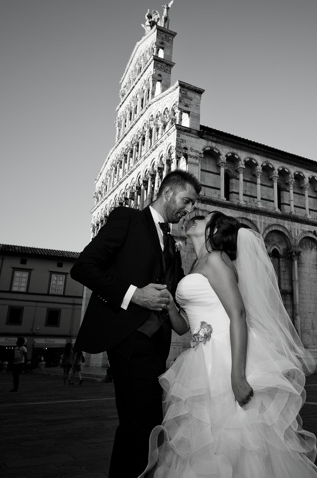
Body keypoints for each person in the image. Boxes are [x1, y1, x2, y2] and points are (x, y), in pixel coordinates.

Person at [139, 212, 317, 477]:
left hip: (224, 354)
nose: (194, 219)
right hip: (200, 356)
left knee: (235, 436)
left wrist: (237, 376)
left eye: (203, 219)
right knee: (203, 439)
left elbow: (238, 314)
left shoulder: (215, 259)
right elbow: (183, 327)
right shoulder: (195, 264)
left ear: (212, 231)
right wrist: (168, 304)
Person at [71, 169, 200, 478]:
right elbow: (84, 267)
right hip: (129, 337)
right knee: (142, 425)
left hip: (156, 346)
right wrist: (134, 295)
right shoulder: (127, 219)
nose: (189, 210)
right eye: (186, 200)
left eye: (193, 205)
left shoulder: (171, 243)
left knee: (140, 425)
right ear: (168, 193)